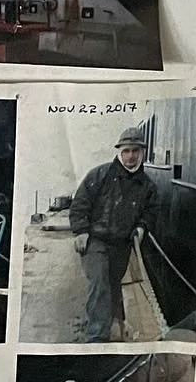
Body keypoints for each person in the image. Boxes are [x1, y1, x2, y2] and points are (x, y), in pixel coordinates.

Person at [69, 126, 162, 343]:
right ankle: (96, 337)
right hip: (95, 240)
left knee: (112, 284)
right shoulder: (99, 175)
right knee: (99, 283)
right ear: (119, 151)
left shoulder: (147, 186)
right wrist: (81, 231)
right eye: (126, 151)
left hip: (121, 244)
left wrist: (142, 227)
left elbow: (151, 212)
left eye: (135, 151)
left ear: (142, 153)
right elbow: (80, 204)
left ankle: (112, 322)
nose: (131, 156)